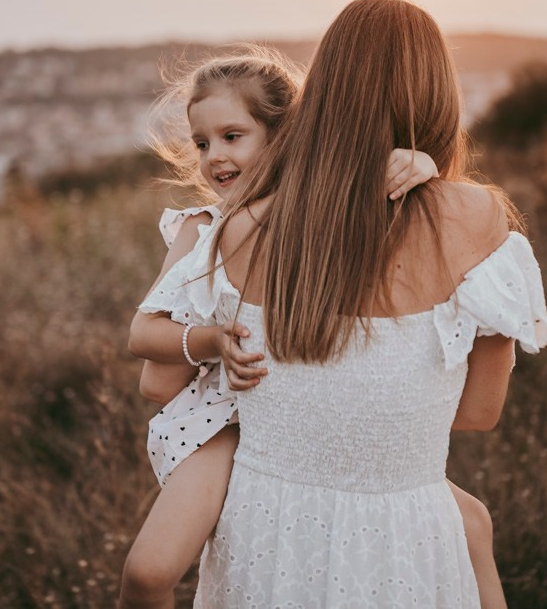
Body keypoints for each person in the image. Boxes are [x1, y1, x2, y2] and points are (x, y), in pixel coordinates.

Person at [191, 0, 547, 607]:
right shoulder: (476, 219)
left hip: (264, 525)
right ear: (437, 94)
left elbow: (178, 371)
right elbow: (478, 412)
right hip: (401, 534)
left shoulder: (240, 228)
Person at [119, 47, 509, 608]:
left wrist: (422, 166)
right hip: (225, 423)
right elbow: (146, 350)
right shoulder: (202, 226)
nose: (213, 157)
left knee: (471, 523)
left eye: (233, 136)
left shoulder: (311, 216)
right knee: (148, 572)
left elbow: (385, 212)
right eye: (201, 143)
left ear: (284, 138)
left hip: (316, 418)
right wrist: (209, 342)